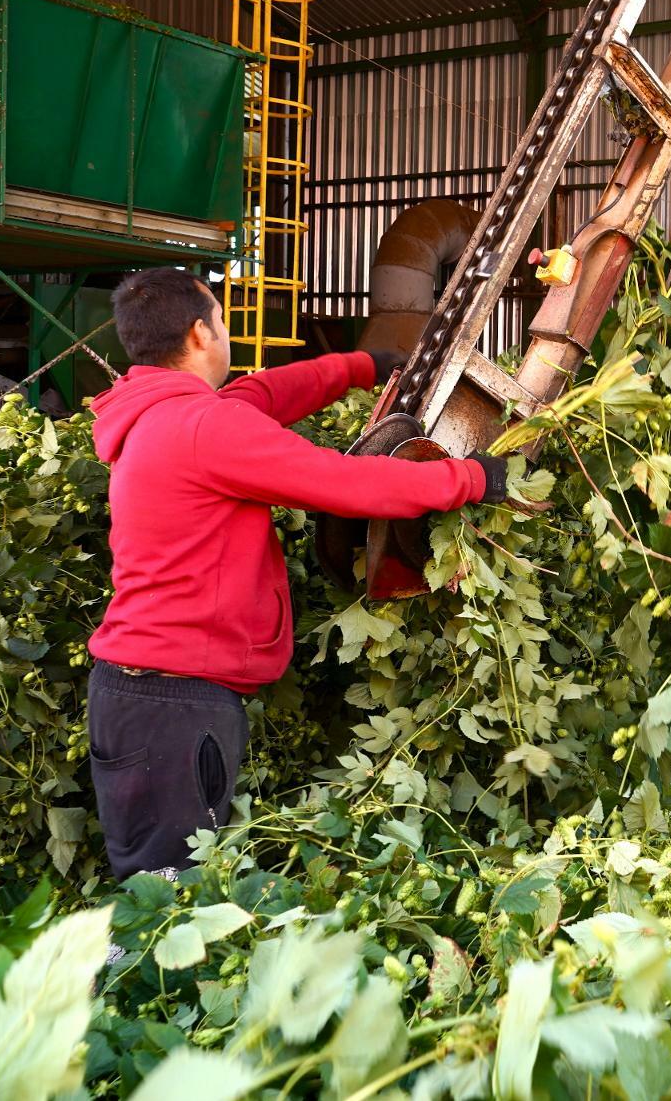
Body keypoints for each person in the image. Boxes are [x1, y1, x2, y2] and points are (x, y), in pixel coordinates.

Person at [84, 268, 507, 878]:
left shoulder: (161, 415)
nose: (226, 335)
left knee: (165, 888)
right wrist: (468, 480)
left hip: (144, 692)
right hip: (174, 703)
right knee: (164, 901)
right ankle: (126, 976)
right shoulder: (205, 428)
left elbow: (261, 396)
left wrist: (362, 367)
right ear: (203, 334)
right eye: (224, 323)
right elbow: (341, 482)